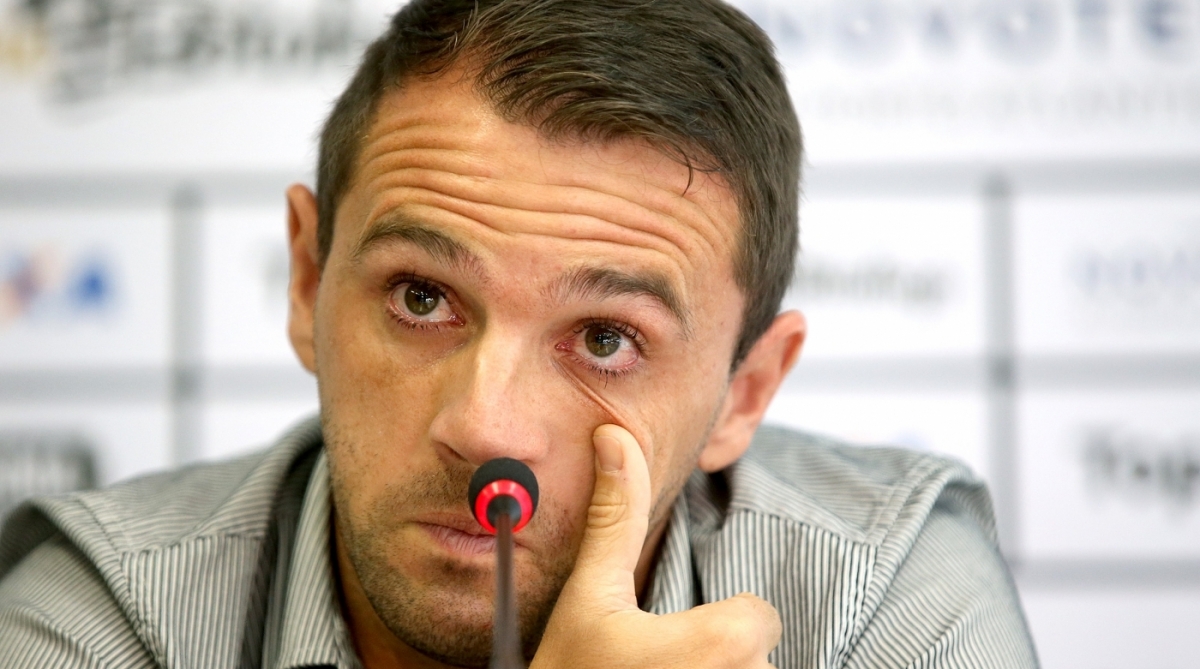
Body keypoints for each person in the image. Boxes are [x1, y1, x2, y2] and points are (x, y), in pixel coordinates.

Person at [0, 0, 1038, 667]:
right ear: (310, 279)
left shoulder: (886, 598)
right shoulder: (107, 614)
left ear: (745, 393)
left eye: (606, 339)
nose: (486, 427)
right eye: (421, 297)